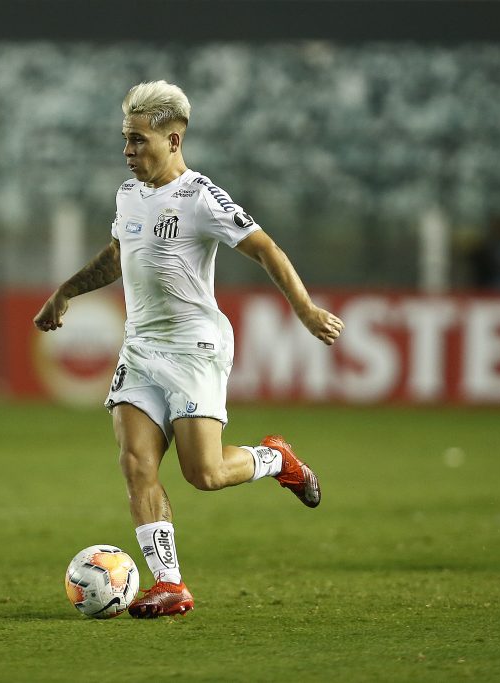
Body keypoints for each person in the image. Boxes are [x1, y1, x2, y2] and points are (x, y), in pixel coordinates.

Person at [34, 81, 343, 617]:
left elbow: (266, 249)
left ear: (173, 140)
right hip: (140, 350)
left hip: (194, 349)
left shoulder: (201, 197)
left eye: (138, 141)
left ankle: (275, 459)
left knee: (205, 474)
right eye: (126, 141)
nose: (129, 152)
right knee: (136, 464)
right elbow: (118, 253)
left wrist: (306, 309)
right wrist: (67, 291)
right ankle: (170, 583)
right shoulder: (127, 195)